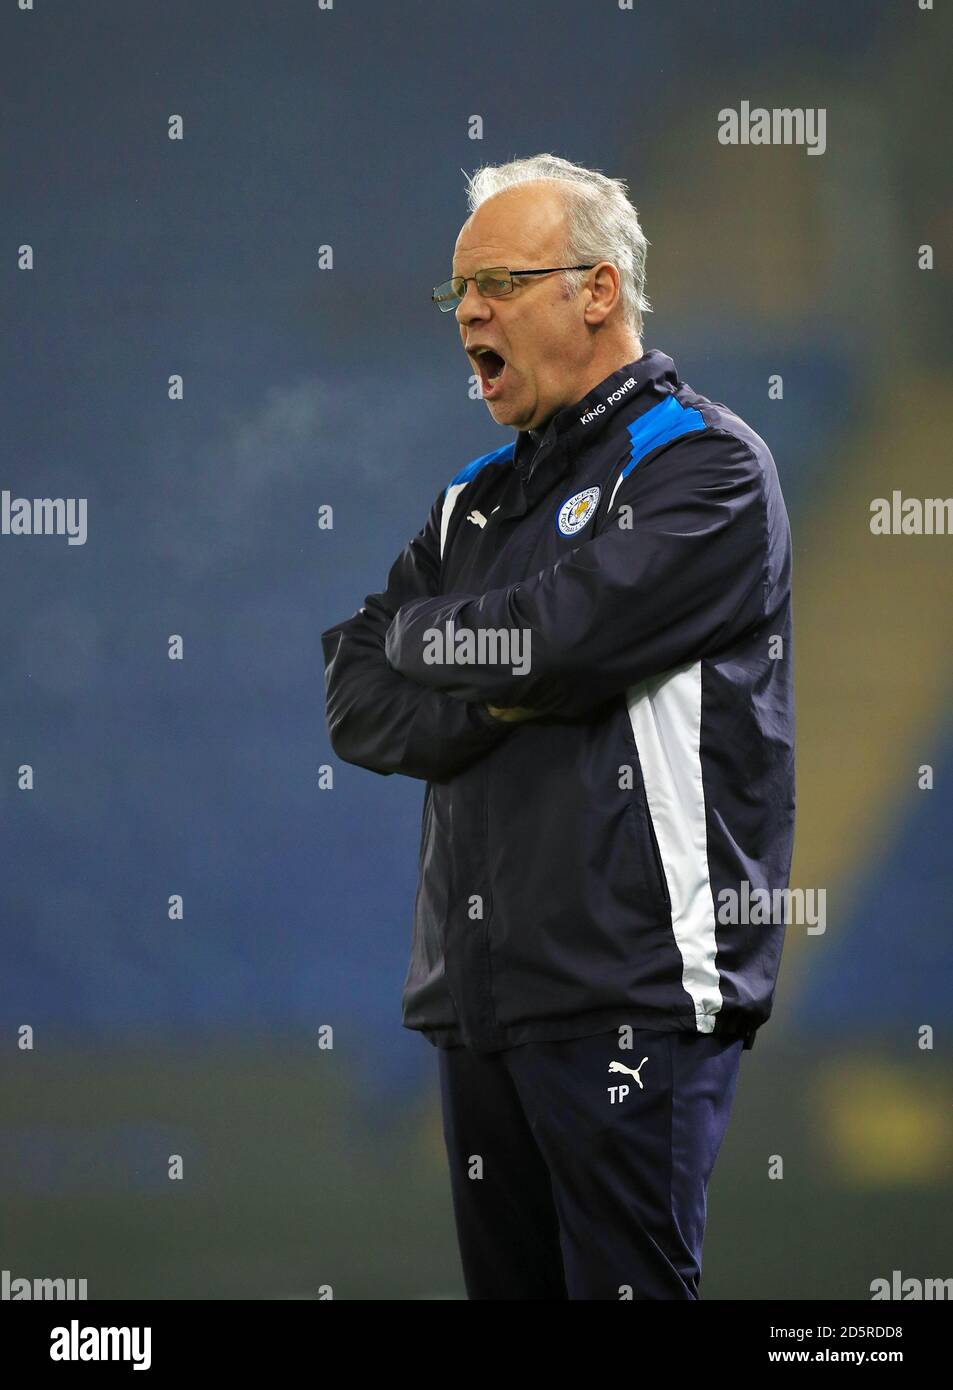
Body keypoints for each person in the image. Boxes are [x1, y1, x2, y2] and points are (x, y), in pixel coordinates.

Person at [321, 152, 795, 1300]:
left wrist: (462, 651)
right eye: (456, 295)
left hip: (630, 985)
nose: (467, 314)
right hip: (479, 997)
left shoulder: (706, 467)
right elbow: (356, 692)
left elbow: (554, 634)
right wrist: (509, 676)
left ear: (595, 290)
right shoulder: (469, 500)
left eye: (496, 282)